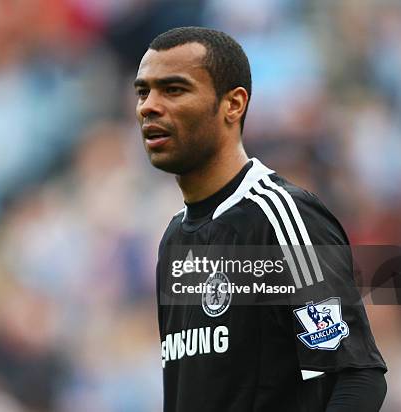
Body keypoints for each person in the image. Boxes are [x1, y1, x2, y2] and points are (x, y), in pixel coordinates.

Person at [134, 27, 387, 412]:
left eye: (173, 90)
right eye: (143, 91)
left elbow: (354, 376)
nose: (149, 106)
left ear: (233, 104)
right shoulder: (173, 241)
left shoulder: (281, 217)